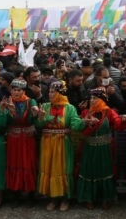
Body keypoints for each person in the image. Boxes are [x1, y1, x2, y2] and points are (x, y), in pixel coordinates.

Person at [34, 81, 84, 212]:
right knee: (49, 167)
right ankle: (53, 198)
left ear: (60, 93)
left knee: (62, 168)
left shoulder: (70, 108)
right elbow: (39, 126)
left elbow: (75, 125)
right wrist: (40, 117)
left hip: (63, 143)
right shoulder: (44, 106)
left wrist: (84, 121)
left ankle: (65, 198)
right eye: (49, 91)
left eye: (52, 92)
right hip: (47, 142)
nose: (49, 94)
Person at [77, 87, 122, 210]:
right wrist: (88, 124)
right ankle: (88, 198)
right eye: (91, 98)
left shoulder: (109, 112)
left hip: (104, 148)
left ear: (102, 100)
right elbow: (81, 130)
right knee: (89, 170)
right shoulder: (85, 112)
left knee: (104, 171)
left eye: (95, 98)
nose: (92, 100)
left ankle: (105, 198)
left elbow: (118, 124)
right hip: (89, 147)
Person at [4, 79, 38, 207]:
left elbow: (34, 120)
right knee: (14, 163)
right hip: (13, 138)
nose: (16, 92)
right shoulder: (7, 102)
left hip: (27, 138)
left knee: (28, 163)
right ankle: (16, 195)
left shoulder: (31, 102)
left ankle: (30, 195)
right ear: (11, 90)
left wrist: (35, 115)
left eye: (19, 90)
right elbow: (4, 122)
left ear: (24, 91)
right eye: (14, 90)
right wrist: (9, 112)